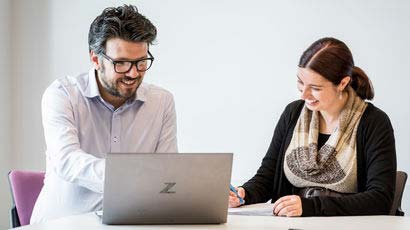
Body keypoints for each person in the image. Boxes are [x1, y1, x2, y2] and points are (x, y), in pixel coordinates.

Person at [31, 5, 178, 223]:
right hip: (64, 223)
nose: (133, 73)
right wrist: (133, 177)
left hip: (133, 223)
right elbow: (67, 161)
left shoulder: (162, 101)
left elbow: (167, 171)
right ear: (95, 59)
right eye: (121, 63)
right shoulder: (63, 95)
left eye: (141, 62)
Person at [229, 37, 396, 217]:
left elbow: (380, 199)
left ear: (342, 83)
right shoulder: (293, 113)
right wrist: (244, 194)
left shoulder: (373, 122)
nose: (304, 95)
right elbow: (267, 177)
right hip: (291, 223)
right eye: (301, 83)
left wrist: (311, 207)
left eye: (315, 87)